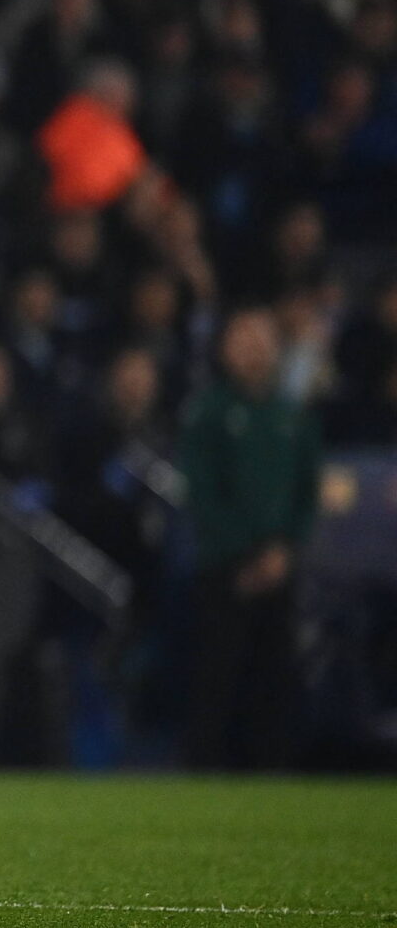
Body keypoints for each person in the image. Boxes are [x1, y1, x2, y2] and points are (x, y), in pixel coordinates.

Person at [177, 308, 321, 769]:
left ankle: (273, 773)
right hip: (225, 568)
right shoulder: (208, 412)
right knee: (216, 676)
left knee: (276, 677)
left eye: (261, 339)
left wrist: (282, 549)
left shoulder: (293, 415)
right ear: (224, 349)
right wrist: (247, 553)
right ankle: (202, 774)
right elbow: (201, 491)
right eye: (242, 339)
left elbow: (307, 492)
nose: (253, 349)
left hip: (280, 569)